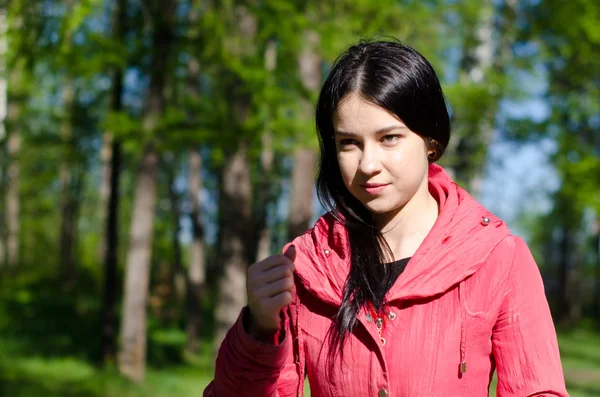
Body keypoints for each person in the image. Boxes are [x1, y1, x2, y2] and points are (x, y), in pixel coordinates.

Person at [204, 39, 569, 397]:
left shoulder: (497, 258)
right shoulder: (305, 265)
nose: (368, 165)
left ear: (431, 139)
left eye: (389, 138)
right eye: (349, 142)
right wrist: (259, 330)